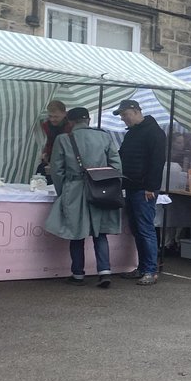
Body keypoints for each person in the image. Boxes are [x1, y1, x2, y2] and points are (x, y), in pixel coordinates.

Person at [45, 108, 122, 288]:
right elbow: (116, 165)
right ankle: (104, 271)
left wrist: (62, 190)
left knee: (76, 231)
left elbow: (57, 170)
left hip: (75, 189)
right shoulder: (104, 137)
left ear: (70, 122)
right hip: (100, 187)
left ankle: (78, 274)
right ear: (88, 120)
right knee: (100, 232)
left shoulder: (63, 139)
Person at [114, 98, 166, 285]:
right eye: (122, 116)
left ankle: (150, 270)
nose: (123, 119)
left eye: (125, 115)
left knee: (145, 229)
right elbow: (121, 155)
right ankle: (143, 268)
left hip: (144, 190)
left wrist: (151, 187)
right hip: (131, 187)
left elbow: (157, 162)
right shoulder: (132, 134)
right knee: (138, 229)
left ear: (135, 111)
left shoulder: (154, 133)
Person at [37, 100, 73, 183]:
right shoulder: (45, 126)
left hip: (66, 163)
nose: (52, 119)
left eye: (56, 117)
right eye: (50, 116)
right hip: (49, 160)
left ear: (64, 114)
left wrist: (56, 165)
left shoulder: (70, 127)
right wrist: (45, 153)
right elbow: (46, 143)